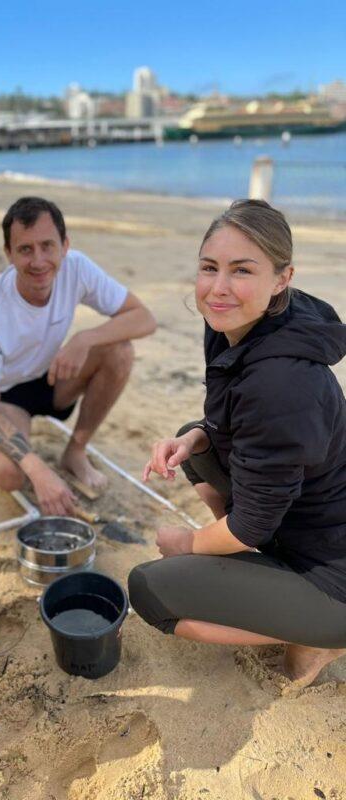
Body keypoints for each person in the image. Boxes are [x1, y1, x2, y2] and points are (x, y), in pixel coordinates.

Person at [128, 199, 346, 689]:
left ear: (282, 278)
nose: (218, 288)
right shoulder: (238, 323)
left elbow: (250, 523)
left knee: (150, 591)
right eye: (210, 268)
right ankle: (262, 583)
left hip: (334, 579)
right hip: (302, 521)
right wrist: (197, 437)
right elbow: (235, 420)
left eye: (241, 270)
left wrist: (185, 545)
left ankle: (319, 636)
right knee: (197, 440)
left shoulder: (282, 383)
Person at [0, 196, 156, 515]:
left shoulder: (76, 267)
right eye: (25, 249)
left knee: (119, 349)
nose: (38, 261)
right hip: (5, 397)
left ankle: (75, 450)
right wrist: (37, 468)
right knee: (12, 476)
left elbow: (144, 318)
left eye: (47, 246)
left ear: (65, 245)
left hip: (53, 375)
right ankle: (15, 453)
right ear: (9, 254)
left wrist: (85, 338)